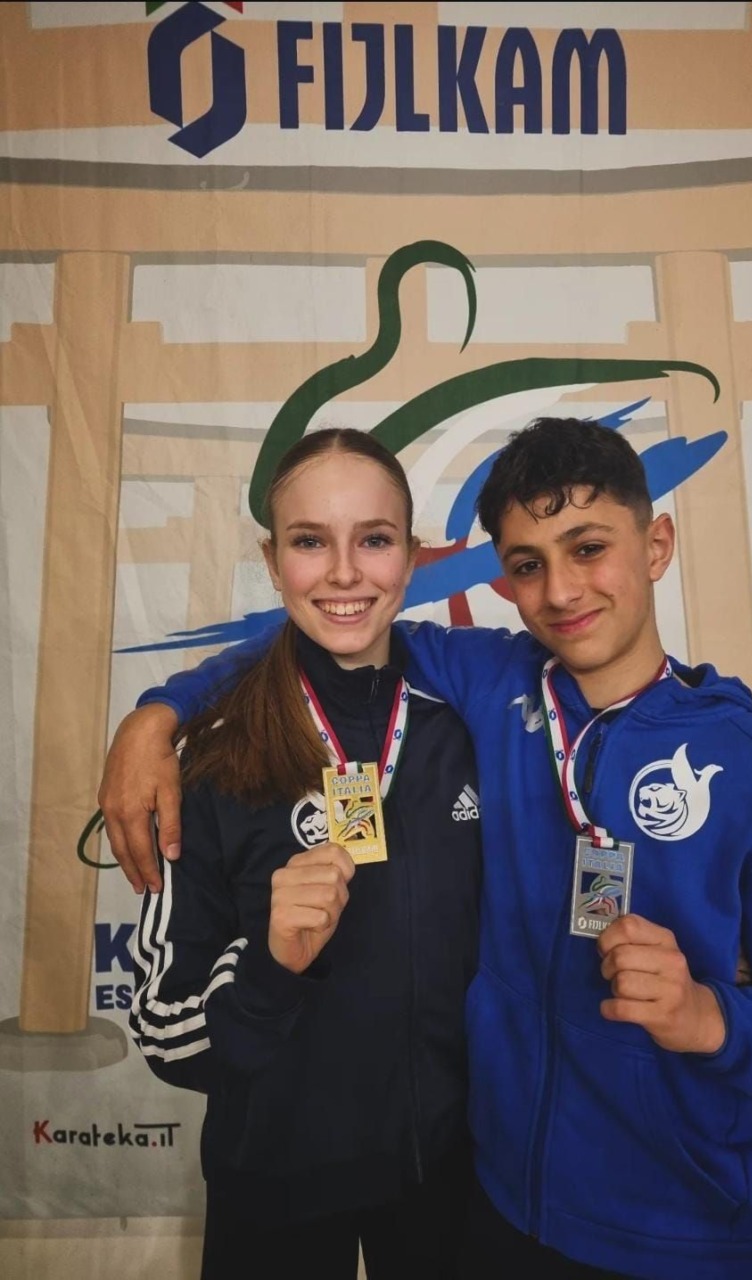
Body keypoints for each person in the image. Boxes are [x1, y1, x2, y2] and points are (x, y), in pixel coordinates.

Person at [102, 418, 752, 1280]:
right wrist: (160, 710)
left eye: (588, 548)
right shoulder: (490, 685)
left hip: (692, 1233)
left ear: (656, 543)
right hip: (507, 1216)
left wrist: (710, 1018)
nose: (561, 590)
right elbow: (332, 625)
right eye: (526, 564)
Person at [124, 428, 481, 1279]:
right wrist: (269, 965)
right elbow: (163, 1029)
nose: (345, 573)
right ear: (272, 559)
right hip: (273, 1182)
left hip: (447, 1173)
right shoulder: (212, 753)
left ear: (413, 556)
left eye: (375, 539)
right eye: (311, 541)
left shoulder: (468, 726)